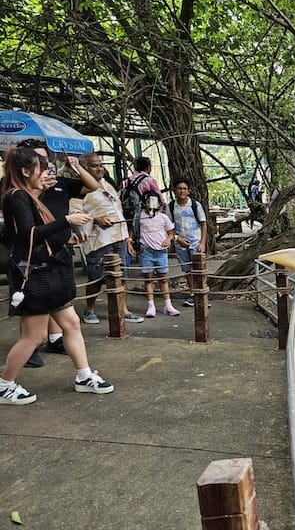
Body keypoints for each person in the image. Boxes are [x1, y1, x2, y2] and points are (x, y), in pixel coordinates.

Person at [0, 145, 114, 405]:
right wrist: (67, 220)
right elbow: (28, 235)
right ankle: (5, 384)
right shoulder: (16, 196)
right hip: (34, 273)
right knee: (35, 336)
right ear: (26, 171)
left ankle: (84, 376)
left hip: (51, 268)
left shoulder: (35, 194)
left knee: (71, 324)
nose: (46, 173)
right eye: (41, 169)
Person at [23, 139, 102, 367]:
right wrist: (35, 188)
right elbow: (26, 226)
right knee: (32, 308)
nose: (42, 164)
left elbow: (92, 186)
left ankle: (63, 347)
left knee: (64, 304)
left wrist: (76, 166)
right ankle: (25, 354)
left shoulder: (60, 183)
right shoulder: (20, 190)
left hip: (61, 251)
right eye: (35, 159)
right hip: (34, 256)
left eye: (44, 159)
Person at [78, 153, 143, 324]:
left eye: (100, 165)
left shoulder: (108, 185)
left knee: (121, 276)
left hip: (119, 237)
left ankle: (124, 309)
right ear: (84, 168)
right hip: (98, 240)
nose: (99, 168)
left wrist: (127, 237)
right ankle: (89, 309)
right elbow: (73, 215)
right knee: (97, 277)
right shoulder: (78, 188)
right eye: (94, 165)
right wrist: (96, 220)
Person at [167, 177, 207, 308]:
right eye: (179, 188)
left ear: (188, 191)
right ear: (174, 190)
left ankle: (201, 294)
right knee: (187, 270)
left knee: (199, 269)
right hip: (181, 244)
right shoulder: (171, 207)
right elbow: (168, 227)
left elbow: (203, 223)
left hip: (195, 242)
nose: (182, 191)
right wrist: (177, 239)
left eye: (184, 189)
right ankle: (192, 294)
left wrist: (202, 242)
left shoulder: (195, 205)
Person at [138, 192, 180, 317]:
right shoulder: (139, 217)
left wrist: (168, 239)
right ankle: (151, 305)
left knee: (163, 278)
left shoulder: (163, 217)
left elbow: (171, 232)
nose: (151, 205)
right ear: (144, 203)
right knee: (148, 278)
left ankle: (168, 305)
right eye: (148, 201)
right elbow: (133, 231)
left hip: (161, 251)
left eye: (154, 202)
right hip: (146, 251)